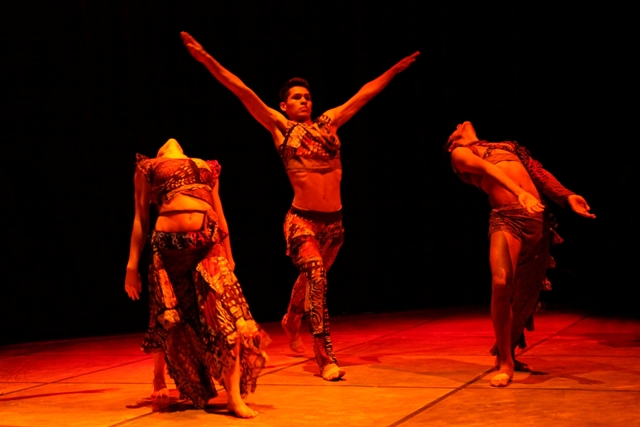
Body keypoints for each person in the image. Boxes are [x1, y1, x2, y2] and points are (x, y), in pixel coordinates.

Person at [180, 31, 419, 381]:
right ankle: (325, 357)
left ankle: (292, 319)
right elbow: (241, 89)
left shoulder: (329, 123)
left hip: (334, 225)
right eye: (296, 97)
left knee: (311, 280)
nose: (304, 100)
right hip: (301, 221)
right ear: (284, 105)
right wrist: (205, 59)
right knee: (316, 275)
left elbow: (364, 94)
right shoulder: (281, 128)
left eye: (307, 96)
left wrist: (394, 70)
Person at [124, 138, 270, 418]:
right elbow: (140, 218)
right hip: (169, 252)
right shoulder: (148, 167)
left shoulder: (206, 166)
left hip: (208, 246)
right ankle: (159, 377)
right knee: (170, 318)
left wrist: (229, 254)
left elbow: (220, 215)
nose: (170, 139)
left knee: (228, 316)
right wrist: (132, 267)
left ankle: (234, 397)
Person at [446, 121, 595, 387]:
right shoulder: (460, 152)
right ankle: (506, 363)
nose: (459, 124)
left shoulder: (508, 146)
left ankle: (508, 354)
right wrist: (520, 193)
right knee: (501, 282)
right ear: (451, 142)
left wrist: (567, 196)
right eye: (453, 129)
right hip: (507, 219)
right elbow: (489, 170)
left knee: (526, 296)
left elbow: (538, 173)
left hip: (539, 222)